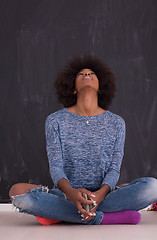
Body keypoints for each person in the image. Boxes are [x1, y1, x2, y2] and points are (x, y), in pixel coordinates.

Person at [9, 54, 157, 225]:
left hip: (105, 195)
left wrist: (100, 195)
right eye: (81, 74)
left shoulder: (117, 123)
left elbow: (114, 169)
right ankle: (104, 218)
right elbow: (56, 167)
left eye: (92, 74)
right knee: (16, 192)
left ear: (101, 87)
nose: (87, 75)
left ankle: (59, 215)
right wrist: (72, 194)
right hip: (66, 195)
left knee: (153, 187)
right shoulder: (55, 121)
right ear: (73, 88)